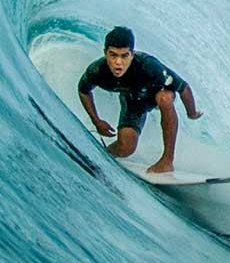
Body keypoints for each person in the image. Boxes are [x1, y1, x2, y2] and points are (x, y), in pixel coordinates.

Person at [78, 26, 201, 173]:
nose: (118, 62)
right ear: (105, 53)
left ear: (132, 54)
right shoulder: (97, 71)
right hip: (133, 99)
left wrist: (191, 113)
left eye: (124, 56)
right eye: (113, 55)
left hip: (157, 93)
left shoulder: (149, 66)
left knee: (165, 98)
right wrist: (96, 121)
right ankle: (104, 155)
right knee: (126, 148)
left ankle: (167, 160)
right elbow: (83, 90)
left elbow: (183, 87)